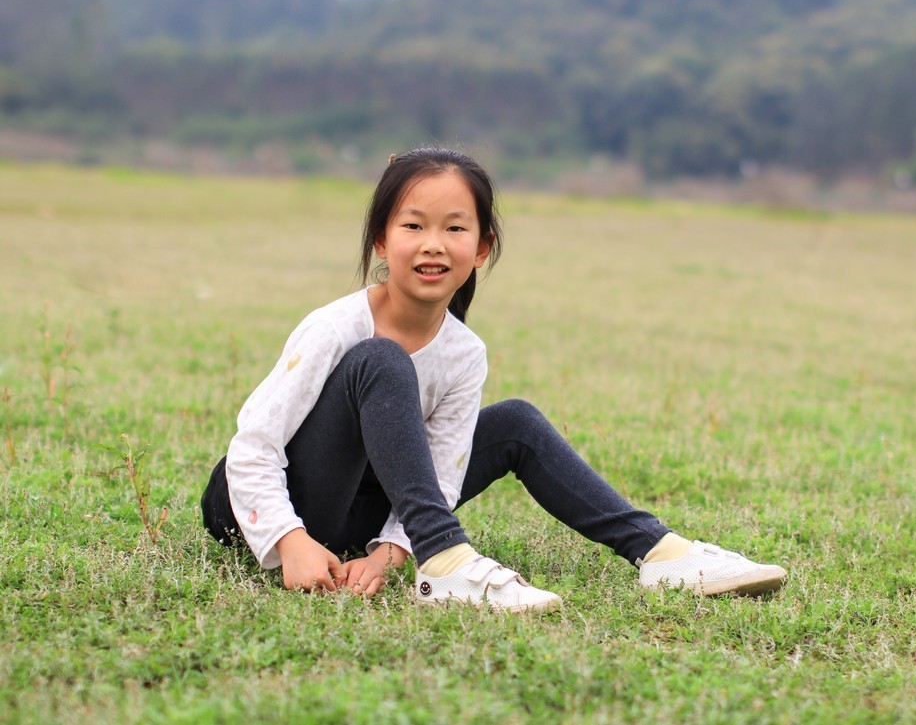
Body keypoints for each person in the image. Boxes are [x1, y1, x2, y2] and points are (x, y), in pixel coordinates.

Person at [201, 147, 785, 613]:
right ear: (382, 240)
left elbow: (443, 470)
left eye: (455, 229)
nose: (433, 244)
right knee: (381, 361)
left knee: (517, 424)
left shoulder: (463, 352)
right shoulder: (335, 327)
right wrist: (289, 540)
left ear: (482, 248)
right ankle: (448, 562)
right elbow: (253, 446)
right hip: (270, 507)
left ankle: (660, 554)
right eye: (413, 225)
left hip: (359, 518)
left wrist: (384, 555)